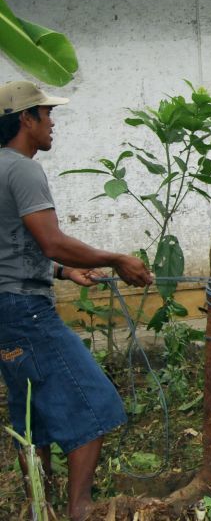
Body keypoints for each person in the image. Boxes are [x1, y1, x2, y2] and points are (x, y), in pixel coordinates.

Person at [0, 80, 154, 521]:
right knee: (96, 403)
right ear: (26, 119)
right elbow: (51, 241)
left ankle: (38, 507)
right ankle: (80, 510)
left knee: (31, 413)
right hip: (27, 311)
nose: (53, 124)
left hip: (5, 312)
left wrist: (66, 272)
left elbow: (14, 247)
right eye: (47, 115)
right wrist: (117, 258)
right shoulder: (23, 170)